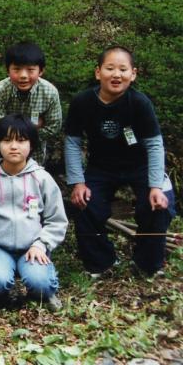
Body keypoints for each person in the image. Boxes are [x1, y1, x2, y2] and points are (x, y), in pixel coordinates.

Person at [65, 45, 175, 277]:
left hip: (141, 166)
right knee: (83, 202)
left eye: (123, 69)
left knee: (160, 202)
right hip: (101, 167)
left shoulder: (140, 103)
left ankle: (147, 264)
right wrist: (77, 181)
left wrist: (155, 186)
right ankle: (101, 263)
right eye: (110, 68)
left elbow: (155, 145)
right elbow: (73, 142)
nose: (117, 74)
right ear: (98, 72)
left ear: (132, 74)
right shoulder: (82, 102)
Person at [0, 115, 67, 310]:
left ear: (31, 144)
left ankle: (43, 291)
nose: (14, 146)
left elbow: (56, 219)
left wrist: (42, 244)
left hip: (31, 248)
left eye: (21, 140)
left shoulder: (42, 178)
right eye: (7, 140)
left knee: (42, 285)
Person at [0, 42, 63, 165]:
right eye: (16, 69)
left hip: (36, 154)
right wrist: (33, 127)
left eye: (30, 70)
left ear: (41, 71)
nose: (23, 76)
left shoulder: (50, 92)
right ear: (8, 70)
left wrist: (28, 138)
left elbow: (54, 127)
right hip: (4, 153)